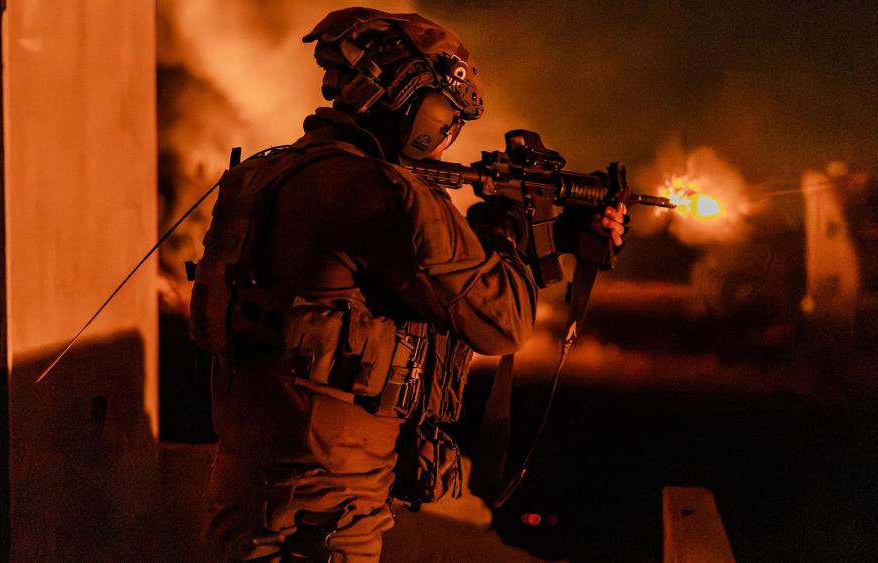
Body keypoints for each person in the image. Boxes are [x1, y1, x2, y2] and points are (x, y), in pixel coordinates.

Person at [194, 7, 626, 562]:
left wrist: (552, 230)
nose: (449, 133)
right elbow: (502, 320)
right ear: (405, 95)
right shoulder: (385, 193)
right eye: (448, 113)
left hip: (255, 485)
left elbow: (400, 276)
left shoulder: (274, 170)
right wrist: (509, 228)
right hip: (323, 511)